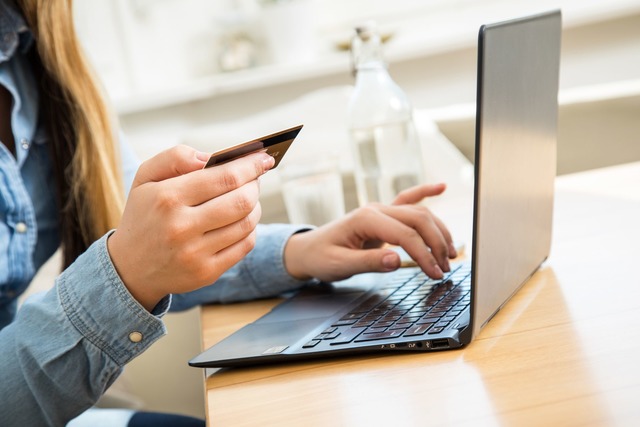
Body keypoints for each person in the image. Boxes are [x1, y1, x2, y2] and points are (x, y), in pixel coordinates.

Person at [0, 0, 457, 426]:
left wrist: (299, 250)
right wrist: (127, 275)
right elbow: (133, 259)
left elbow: (149, 244)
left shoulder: (39, 59)